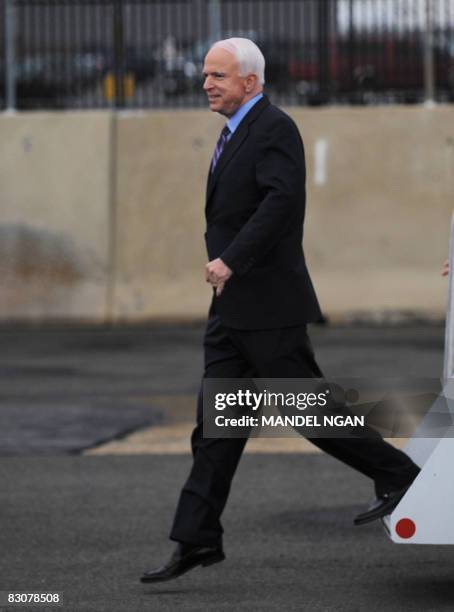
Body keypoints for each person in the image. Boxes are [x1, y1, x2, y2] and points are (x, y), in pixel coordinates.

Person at [140, 38, 420, 584]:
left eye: (218, 75)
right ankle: (196, 540)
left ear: (250, 81)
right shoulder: (235, 132)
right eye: (205, 75)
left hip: (266, 304)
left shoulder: (273, 128)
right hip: (231, 309)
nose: (206, 84)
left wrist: (232, 261)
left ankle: (399, 475)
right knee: (216, 428)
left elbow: (282, 204)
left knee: (308, 410)